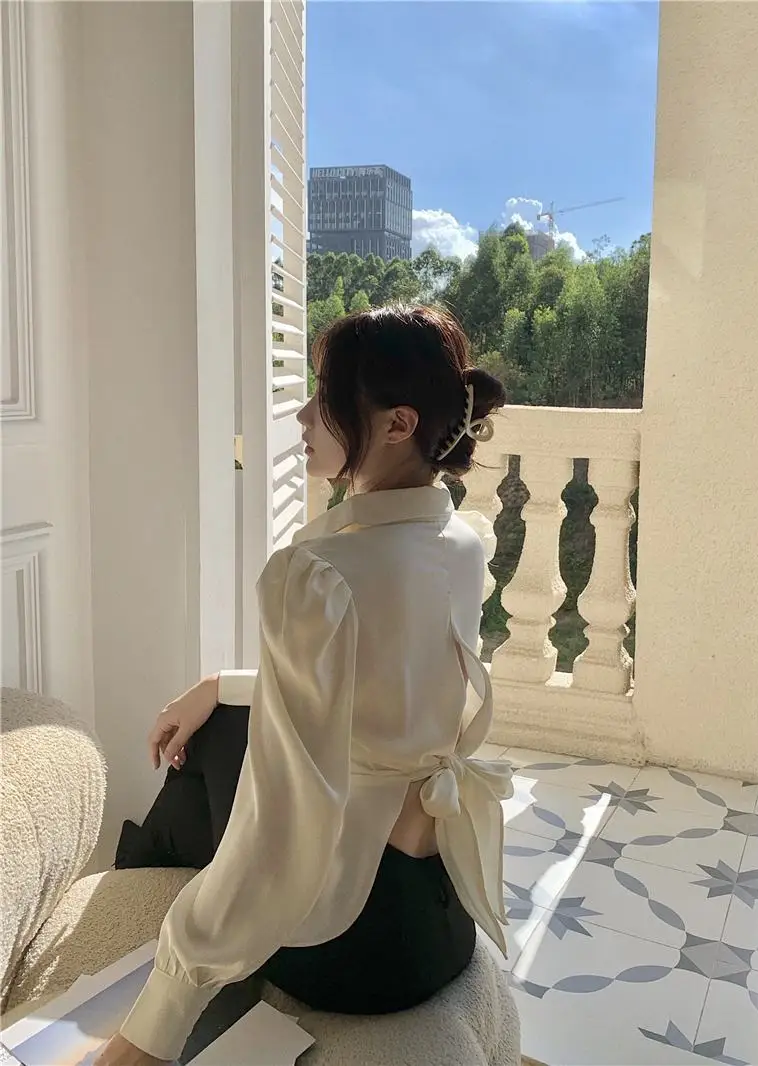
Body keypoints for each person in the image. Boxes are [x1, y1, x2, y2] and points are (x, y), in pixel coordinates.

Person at [96, 305, 512, 1066]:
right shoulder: (459, 541)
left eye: (326, 394)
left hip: (348, 951)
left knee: (221, 748)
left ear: (397, 424)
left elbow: (276, 827)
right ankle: (152, 849)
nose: (303, 413)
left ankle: (143, 865)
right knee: (222, 714)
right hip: (438, 922)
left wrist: (150, 1027)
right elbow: (373, 685)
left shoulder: (318, 574)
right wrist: (218, 684)